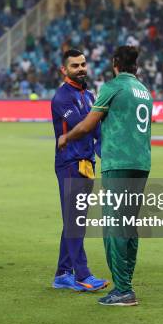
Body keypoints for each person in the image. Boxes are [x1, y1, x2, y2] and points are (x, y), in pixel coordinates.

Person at [58, 46, 152, 306]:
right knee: (130, 226)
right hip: (141, 162)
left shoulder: (112, 88)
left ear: (115, 63)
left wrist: (66, 136)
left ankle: (123, 289)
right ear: (137, 66)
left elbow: (89, 124)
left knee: (113, 227)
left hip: (118, 162)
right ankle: (127, 283)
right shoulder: (145, 91)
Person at [51, 49, 108, 292]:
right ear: (64, 70)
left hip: (86, 164)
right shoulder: (62, 98)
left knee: (76, 220)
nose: (81, 68)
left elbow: (96, 131)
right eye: (75, 66)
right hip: (70, 164)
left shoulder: (89, 94)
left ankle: (63, 274)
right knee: (75, 221)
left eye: (83, 64)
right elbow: (82, 126)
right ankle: (82, 275)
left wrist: (106, 152)